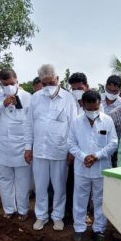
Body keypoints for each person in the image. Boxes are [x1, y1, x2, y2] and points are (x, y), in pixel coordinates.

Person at [24, 64, 77, 231]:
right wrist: (28, 147)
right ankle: (41, 216)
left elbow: (74, 126)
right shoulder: (35, 98)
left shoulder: (68, 98)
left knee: (59, 186)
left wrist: (71, 150)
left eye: (51, 83)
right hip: (40, 150)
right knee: (40, 186)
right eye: (44, 83)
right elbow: (29, 124)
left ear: (58, 79)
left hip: (60, 151)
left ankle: (57, 217)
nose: (47, 87)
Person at [68, 91, 118, 241]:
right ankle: (79, 228)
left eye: (95, 108)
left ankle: (99, 229)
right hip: (82, 167)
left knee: (100, 199)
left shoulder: (107, 121)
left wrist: (96, 156)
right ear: (82, 105)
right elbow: (71, 143)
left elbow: (113, 143)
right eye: (89, 109)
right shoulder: (76, 122)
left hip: (101, 167)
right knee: (80, 199)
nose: (92, 111)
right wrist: (84, 157)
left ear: (99, 104)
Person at [0, 68, 33, 220]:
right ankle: (9, 210)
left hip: (21, 147)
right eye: (5, 84)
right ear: (0, 83)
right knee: (4, 181)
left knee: (23, 182)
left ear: (17, 80)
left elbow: (31, 123)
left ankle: (23, 211)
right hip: (2, 147)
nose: (9, 87)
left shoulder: (28, 97)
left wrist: (28, 148)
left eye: (12, 83)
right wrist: (2, 104)